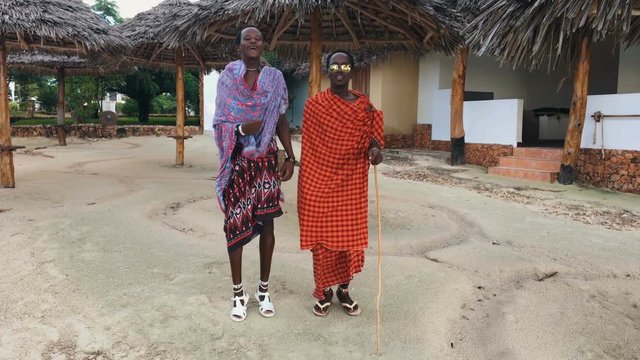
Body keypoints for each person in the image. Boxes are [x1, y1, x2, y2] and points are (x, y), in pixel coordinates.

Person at [213, 26, 295, 322]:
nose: (253, 42)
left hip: (265, 161)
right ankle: (238, 293)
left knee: (268, 223)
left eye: (258, 39)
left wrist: (291, 155)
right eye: (247, 39)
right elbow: (220, 121)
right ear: (238, 47)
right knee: (234, 224)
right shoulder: (227, 78)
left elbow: (281, 117)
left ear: (264, 46)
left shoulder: (274, 79)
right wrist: (239, 129)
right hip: (237, 162)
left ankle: (263, 290)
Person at [297, 50, 384, 317]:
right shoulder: (314, 106)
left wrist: (375, 152)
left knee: (350, 241)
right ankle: (323, 291)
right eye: (334, 65)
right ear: (327, 70)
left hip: (351, 184)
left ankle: (344, 290)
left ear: (352, 71)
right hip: (320, 182)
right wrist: (311, 185)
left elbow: (375, 141)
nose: (339, 70)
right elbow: (310, 149)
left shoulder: (363, 106)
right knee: (322, 241)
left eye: (345, 66)